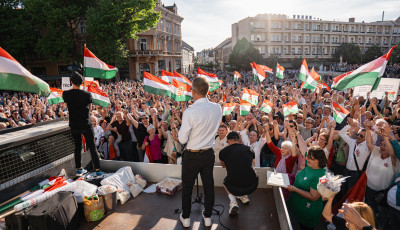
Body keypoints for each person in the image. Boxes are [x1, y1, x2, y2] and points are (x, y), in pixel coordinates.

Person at [178, 76, 222, 228]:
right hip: (208, 153)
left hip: (192, 154)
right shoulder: (218, 108)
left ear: (193, 92)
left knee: (187, 188)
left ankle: (186, 218)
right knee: (209, 186)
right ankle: (208, 217)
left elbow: (182, 139)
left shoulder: (190, 112)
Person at [62, 72, 103, 176]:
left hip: (74, 125)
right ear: (82, 82)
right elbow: (89, 108)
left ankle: (79, 169)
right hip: (86, 124)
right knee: (92, 147)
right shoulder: (87, 94)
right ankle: (98, 170)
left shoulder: (66, 94)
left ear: (71, 82)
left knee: (77, 147)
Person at [287, 146, 327, 230]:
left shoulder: (321, 176)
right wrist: (297, 133)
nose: (306, 158)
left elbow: (314, 197)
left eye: (309, 157)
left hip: (307, 213)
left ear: (317, 160)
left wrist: (294, 189)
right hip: (297, 207)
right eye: (307, 156)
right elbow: (303, 146)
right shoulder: (310, 165)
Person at [219, 131, 259, 216]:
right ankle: (244, 196)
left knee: (225, 182)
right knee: (242, 175)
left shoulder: (223, 152)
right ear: (239, 139)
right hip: (253, 184)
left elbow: (223, 166)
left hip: (234, 184)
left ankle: (233, 202)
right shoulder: (249, 149)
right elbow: (253, 164)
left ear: (228, 140)